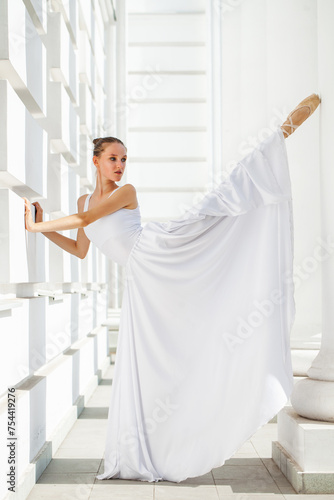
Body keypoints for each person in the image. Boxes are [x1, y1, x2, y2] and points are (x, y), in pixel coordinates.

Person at [24, 94, 320, 483]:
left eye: (124, 158)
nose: (120, 164)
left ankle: (277, 139)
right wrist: (43, 230)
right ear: (95, 160)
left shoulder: (124, 193)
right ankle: (146, 446)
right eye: (113, 158)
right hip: (140, 278)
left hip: (158, 254)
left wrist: (36, 226)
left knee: (217, 215)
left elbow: (84, 218)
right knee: (150, 360)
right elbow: (81, 248)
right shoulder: (84, 198)